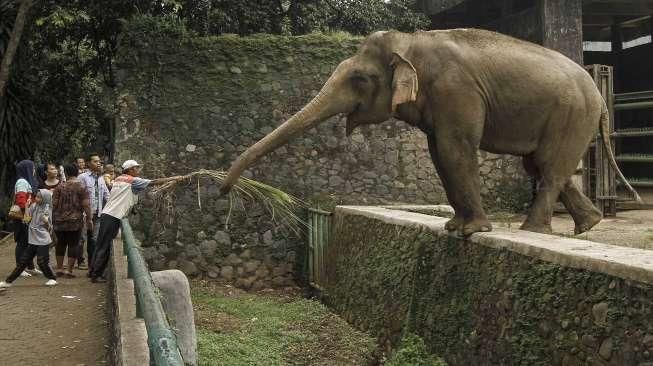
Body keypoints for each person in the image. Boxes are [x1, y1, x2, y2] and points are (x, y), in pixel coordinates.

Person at [89, 160, 181, 282]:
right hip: (114, 216)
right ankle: (96, 275)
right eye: (136, 168)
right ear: (130, 170)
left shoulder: (119, 178)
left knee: (101, 244)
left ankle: (93, 272)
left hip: (108, 214)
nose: (138, 171)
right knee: (105, 246)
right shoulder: (132, 181)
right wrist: (174, 178)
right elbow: (153, 183)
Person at [0, 189, 58, 288]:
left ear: (45, 198)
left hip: (43, 239)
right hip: (33, 238)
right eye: (37, 196)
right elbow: (26, 220)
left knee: (42, 261)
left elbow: (49, 227)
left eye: (40, 197)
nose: (37, 198)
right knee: (23, 261)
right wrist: (27, 206)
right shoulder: (34, 206)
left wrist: (46, 221)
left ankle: (52, 278)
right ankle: (8, 282)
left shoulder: (47, 208)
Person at [52, 164, 91, 277]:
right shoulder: (82, 187)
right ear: (77, 173)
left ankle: (59, 268)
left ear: (67, 174)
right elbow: (86, 205)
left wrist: (52, 218)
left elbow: (53, 204)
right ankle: (69, 270)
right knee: (73, 244)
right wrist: (89, 219)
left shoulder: (59, 187)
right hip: (75, 221)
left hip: (59, 220)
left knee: (60, 243)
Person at [78, 153, 109, 269]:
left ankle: (93, 266)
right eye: (95, 161)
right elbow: (79, 195)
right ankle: (80, 260)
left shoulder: (101, 178)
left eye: (99, 161)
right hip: (85, 215)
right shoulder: (82, 177)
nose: (99, 163)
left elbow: (106, 194)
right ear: (89, 163)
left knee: (95, 240)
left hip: (98, 214)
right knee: (81, 239)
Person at [12, 160, 39, 277]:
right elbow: (21, 200)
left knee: (29, 242)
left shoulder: (27, 181)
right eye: (32, 168)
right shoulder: (22, 182)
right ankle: (20, 267)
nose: (34, 170)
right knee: (22, 242)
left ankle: (30, 266)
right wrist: (29, 213)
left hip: (28, 216)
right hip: (23, 216)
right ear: (27, 169)